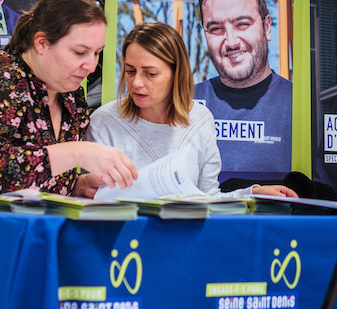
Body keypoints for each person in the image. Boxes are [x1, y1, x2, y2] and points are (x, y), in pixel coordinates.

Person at [0, 0, 138, 203]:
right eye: (80, 52)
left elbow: (36, 182)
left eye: (97, 52)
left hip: (32, 231)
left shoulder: (73, 97)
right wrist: (77, 152)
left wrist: (77, 185)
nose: (91, 66)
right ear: (41, 43)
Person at [86, 22, 297, 199]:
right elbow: (86, 200)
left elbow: (208, 199)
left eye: (150, 74)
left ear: (176, 74)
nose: (136, 83)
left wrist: (254, 193)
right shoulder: (104, 121)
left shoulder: (200, 119)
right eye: (130, 71)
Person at [193, 0, 293, 178]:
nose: (231, 42)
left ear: (266, 28)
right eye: (216, 29)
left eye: (243, 24)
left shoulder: (302, 106)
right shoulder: (183, 104)